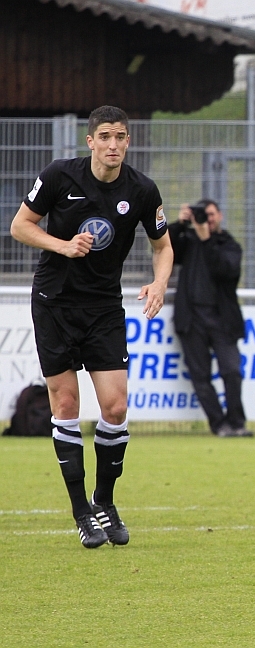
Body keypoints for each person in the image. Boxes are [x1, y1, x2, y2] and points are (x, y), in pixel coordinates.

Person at [9, 105, 173, 548]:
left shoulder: (141, 189)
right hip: (55, 302)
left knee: (115, 408)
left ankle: (104, 501)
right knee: (65, 403)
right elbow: (20, 226)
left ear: (128, 141)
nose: (114, 145)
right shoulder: (61, 175)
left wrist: (159, 283)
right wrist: (63, 245)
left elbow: (163, 245)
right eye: (105, 137)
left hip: (103, 307)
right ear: (90, 142)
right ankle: (81, 510)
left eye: (120, 136)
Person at [167, 199, 250, 438]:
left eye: (211, 215)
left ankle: (237, 422)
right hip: (191, 320)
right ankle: (219, 424)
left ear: (220, 216)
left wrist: (206, 239)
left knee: (232, 371)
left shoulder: (228, 244)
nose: (207, 220)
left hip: (223, 320)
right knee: (200, 376)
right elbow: (165, 247)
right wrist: (181, 224)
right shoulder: (188, 242)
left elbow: (226, 271)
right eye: (203, 216)